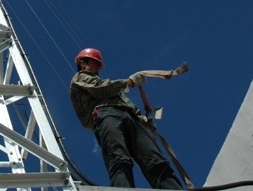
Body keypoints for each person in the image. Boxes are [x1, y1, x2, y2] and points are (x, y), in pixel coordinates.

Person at [70, 48, 183, 189]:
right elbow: (100, 89)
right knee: (119, 160)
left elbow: (124, 102)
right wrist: (128, 82)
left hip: (129, 117)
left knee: (156, 161)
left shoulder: (112, 89)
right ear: (83, 63)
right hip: (107, 114)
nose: (99, 67)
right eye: (96, 63)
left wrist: (141, 118)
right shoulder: (80, 78)